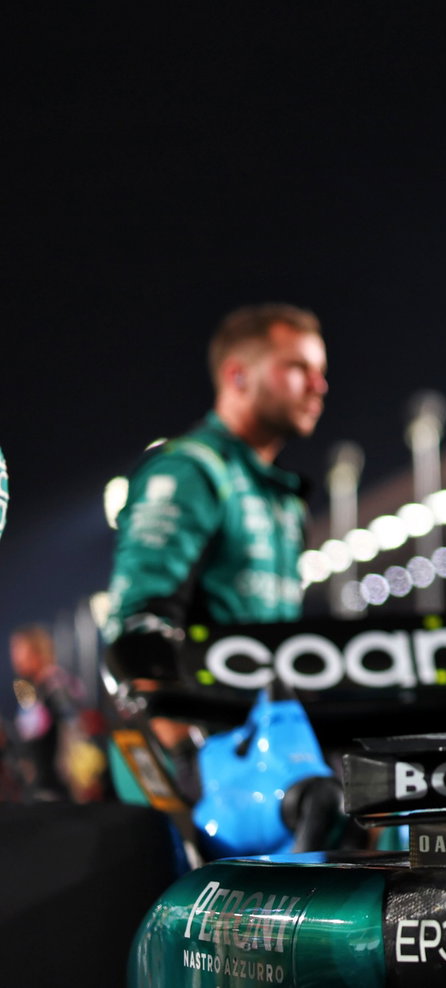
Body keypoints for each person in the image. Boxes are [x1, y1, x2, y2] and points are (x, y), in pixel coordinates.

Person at [102, 303, 327, 801]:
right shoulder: (190, 471)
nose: (319, 386)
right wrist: (189, 763)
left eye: (321, 371)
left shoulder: (284, 499)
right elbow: (135, 626)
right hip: (200, 784)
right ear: (237, 375)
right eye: (298, 368)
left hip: (269, 768)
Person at [10, 624, 105, 802]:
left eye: (18, 648)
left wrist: (87, 778)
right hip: (43, 786)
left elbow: (78, 731)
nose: (14, 656)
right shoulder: (30, 689)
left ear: (37, 650)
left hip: (64, 789)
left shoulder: (56, 684)